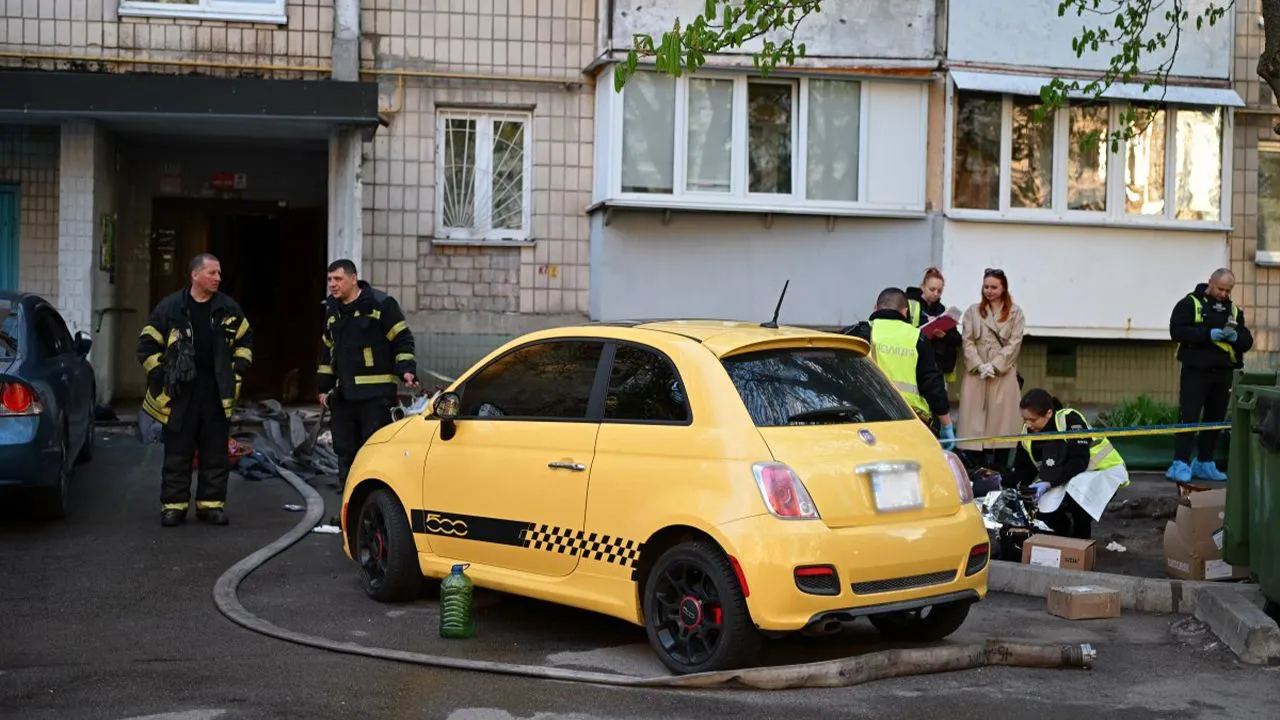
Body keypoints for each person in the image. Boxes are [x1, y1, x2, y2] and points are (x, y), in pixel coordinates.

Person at [136, 253, 253, 527]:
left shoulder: (228, 308)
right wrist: (162, 374)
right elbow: (145, 345)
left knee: (215, 453)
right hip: (180, 395)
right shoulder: (171, 308)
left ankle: (210, 506)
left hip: (215, 393)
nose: (218, 278)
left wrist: (237, 370)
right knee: (178, 452)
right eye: (212, 273)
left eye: (219, 273)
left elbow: (245, 340)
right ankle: (173, 507)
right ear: (195, 275)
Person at [317, 259, 419, 494]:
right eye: (330, 279)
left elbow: (402, 338)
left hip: (376, 398)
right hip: (344, 397)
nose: (332, 285)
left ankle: (373, 506)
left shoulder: (381, 304)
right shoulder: (332, 310)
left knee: (373, 452)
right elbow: (327, 350)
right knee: (345, 453)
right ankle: (348, 507)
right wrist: (324, 387)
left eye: (338, 279)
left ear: (353, 279)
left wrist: (406, 369)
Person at [1004, 389, 1129, 540]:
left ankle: (1080, 547)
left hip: (1102, 470)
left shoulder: (1069, 419)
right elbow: (1024, 469)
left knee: (1078, 502)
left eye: (1033, 420)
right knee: (1043, 510)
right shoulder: (1027, 434)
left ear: (1049, 413)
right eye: (1025, 419)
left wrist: (1049, 483)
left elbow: (1079, 462)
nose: (1028, 425)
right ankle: (1062, 541)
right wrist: (1001, 481)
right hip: (1066, 475)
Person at [1166, 268, 1254, 483]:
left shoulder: (1233, 311)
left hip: (1222, 372)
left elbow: (1247, 341)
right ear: (1210, 283)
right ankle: (1180, 463)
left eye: (1228, 290)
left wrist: (1235, 337)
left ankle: (1205, 462)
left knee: (1214, 419)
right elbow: (1177, 331)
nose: (1224, 294)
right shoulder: (1190, 304)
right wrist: (1207, 334)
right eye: (1221, 289)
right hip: (1195, 371)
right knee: (1189, 417)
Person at [844, 287, 955, 448]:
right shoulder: (917, 337)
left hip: (865, 420)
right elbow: (932, 384)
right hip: (910, 419)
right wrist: (946, 424)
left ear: (875, 308)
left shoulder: (859, 333)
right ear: (904, 312)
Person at [958, 268, 1026, 469]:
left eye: (994, 287)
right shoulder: (972, 311)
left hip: (1002, 373)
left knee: (1002, 422)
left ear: (1003, 287)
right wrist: (978, 365)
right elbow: (967, 340)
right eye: (986, 286)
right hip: (977, 373)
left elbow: (1015, 343)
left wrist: (995, 365)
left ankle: (1000, 467)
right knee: (974, 421)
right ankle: (975, 466)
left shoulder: (1015, 313)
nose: (989, 291)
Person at [905, 267, 963, 385]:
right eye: (932, 289)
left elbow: (957, 339)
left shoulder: (942, 310)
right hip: (912, 359)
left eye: (939, 291)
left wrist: (944, 335)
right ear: (923, 287)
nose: (935, 294)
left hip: (935, 365)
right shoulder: (908, 304)